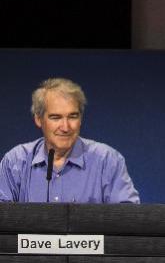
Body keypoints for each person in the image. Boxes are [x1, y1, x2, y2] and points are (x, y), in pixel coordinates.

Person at [0, 78, 140, 203]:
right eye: (56, 117)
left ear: (81, 119)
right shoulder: (15, 162)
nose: (65, 127)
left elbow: (128, 220)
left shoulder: (107, 161)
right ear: (38, 119)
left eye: (73, 116)